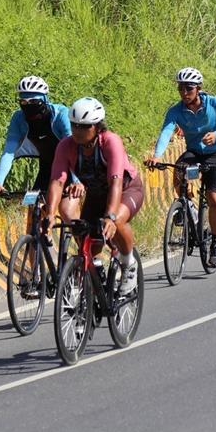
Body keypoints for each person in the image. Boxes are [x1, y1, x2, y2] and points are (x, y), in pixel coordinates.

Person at [46, 98, 143, 295]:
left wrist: (110, 217)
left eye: (84, 127)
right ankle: (96, 273)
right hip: (97, 195)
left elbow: (115, 183)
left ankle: (128, 263)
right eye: (74, 126)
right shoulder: (66, 146)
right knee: (86, 240)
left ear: (97, 127)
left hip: (126, 190)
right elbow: (57, 182)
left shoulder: (110, 142)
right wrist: (49, 214)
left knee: (117, 221)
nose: (77, 131)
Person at [145, 68, 216, 269]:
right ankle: (187, 205)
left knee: (214, 198)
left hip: (215, 153)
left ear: (198, 89)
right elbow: (166, 133)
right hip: (194, 151)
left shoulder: (215, 104)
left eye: (189, 88)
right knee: (178, 167)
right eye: (181, 88)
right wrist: (157, 156)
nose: (184, 93)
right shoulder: (176, 110)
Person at [0, 76, 81, 231]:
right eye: (23, 102)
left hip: (70, 168)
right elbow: (9, 152)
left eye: (33, 102)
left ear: (44, 99)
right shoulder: (19, 118)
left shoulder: (60, 115)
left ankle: (83, 253)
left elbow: (75, 150)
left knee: (67, 212)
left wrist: (76, 181)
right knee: (33, 216)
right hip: (47, 169)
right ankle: (37, 247)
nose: (28, 106)